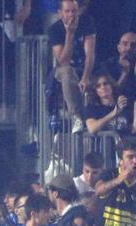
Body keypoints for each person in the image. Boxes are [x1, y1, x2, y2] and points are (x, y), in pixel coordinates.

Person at [48, 0, 96, 132]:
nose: (71, 15)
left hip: (84, 66)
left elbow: (90, 54)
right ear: (60, 13)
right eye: (67, 11)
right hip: (64, 70)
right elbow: (63, 61)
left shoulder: (87, 22)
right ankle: (76, 117)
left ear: (79, 11)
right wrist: (69, 34)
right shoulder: (54, 29)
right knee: (67, 72)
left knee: (102, 77)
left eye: (74, 11)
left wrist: (86, 77)